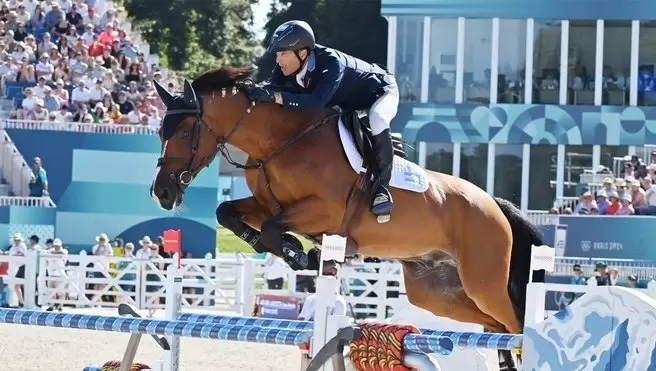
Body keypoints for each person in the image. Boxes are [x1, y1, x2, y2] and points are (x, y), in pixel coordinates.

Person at [249, 20, 399, 221]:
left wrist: (277, 97)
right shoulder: (286, 66)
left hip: (380, 92)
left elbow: (315, 103)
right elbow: (269, 87)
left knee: (378, 118)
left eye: (283, 53)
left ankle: (382, 188)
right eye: (277, 54)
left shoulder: (330, 63)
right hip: (348, 103)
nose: (278, 60)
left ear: (302, 54)